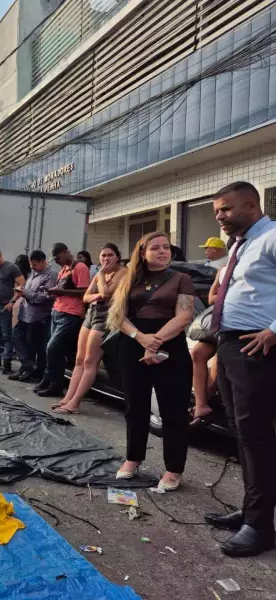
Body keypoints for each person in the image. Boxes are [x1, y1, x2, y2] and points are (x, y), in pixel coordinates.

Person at [203, 181, 276, 558]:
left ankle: (261, 527)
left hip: (257, 347)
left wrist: (273, 331)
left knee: (256, 435)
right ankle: (252, 510)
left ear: (251, 204)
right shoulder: (240, 245)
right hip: (230, 344)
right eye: (217, 211)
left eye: (226, 209)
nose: (219, 216)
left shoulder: (272, 237)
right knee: (240, 431)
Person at [107, 232, 194, 492]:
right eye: (155, 248)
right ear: (142, 252)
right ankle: (133, 458)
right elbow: (118, 316)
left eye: (166, 247)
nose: (162, 251)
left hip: (171, 345)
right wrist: (140, 338)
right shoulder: (130, 278)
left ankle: (173, 469)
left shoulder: (182, 279)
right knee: (136, 405)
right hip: (133, 343)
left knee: (174, 410)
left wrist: (154, 341)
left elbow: (184, 315)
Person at [52, 243, 126, 414]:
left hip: (106, 318)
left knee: (90, 361)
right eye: (103, 256)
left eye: (110, 255)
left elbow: (107, 293)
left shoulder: (122, 273)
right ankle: (67, 398)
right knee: (79, 359)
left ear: (117, 257)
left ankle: (75, 403)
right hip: (91, 314)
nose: (106, 259)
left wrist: (100, 277)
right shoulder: (101, 274)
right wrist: (98, 294)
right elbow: (86, 297)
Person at [35, 243, 91, 397]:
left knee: (53, 349)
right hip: (58, 311)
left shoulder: (80, 267)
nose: (58, 261)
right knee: (54, 351)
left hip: (71, 314)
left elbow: (84, 291)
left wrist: (60, 291)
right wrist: (53, 292)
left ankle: (55, 384)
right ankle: (51, 380)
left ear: (66, 252)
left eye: (58, 257)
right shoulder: (64, 270)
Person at [10, 250, 56, 383]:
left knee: (33, 345)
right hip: (25, 313)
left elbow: (45, 297)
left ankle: (31, 370)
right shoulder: (33, 274)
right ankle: (26, 366)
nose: (32, 267)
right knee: (16, 336)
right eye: (31, 264)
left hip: (38, 316)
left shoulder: (51, 275)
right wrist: (22, 291)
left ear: (43, 262)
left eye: (35, 264)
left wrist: (26, 293)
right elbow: (28, 288)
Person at [189, 266, 224, 427]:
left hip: (244, 323)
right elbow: (211, 299)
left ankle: (205, 401)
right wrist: (218, 278)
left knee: (220, 355)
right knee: (198, 353)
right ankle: (201, 404)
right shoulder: (225, 269)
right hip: (223, 321)